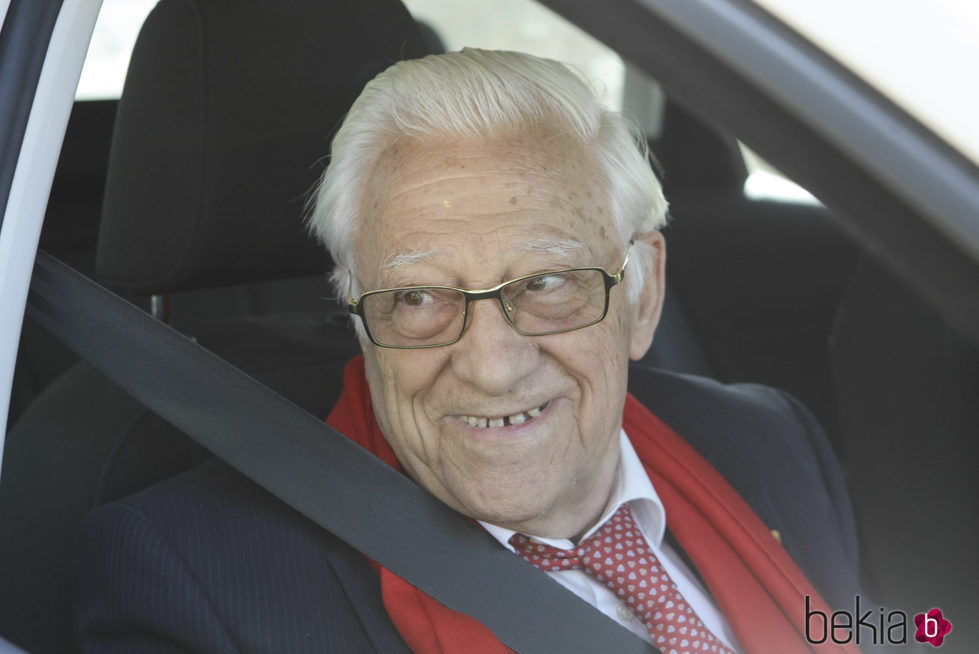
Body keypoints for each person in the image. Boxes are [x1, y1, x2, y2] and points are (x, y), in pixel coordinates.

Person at [76, 49, 863, 653]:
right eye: (416, 298)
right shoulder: (190, 578)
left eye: (548, 282)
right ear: (357, 311)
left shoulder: (768, 443)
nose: (490, 366)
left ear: (642, 292)